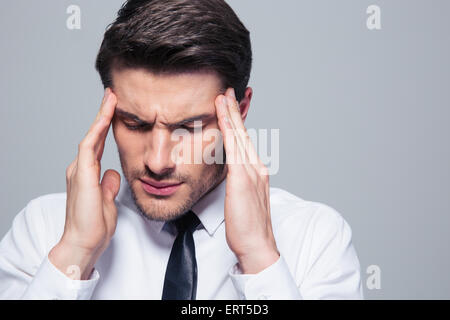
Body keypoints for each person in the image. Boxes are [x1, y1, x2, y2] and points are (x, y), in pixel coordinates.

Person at [0, 0, 363, 299]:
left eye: (189, 128)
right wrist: (75, 253)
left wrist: (259, 258)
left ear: (240, 111)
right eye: (135, 123)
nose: (158, 162)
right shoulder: (43, 230)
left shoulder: (316, 240)